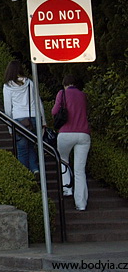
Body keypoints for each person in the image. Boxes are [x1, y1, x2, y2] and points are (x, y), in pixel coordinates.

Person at [54, 74, 91, 211]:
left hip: (66, 133)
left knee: (63, 160)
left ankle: (67, 189)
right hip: (83, 134)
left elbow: (54, 111)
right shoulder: (83, 95)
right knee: (79, 170)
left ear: (64, 84)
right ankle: (81, 204)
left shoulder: (62, 93)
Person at [2, 59, 44, 174]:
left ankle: (25, 174)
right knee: (31, 145)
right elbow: (38, 101)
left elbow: (7, 109)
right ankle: (35, 169)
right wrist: (43, 120)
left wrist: (10, 128)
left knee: (22, 150)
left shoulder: (7, 86)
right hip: (33, 118)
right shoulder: (30, 83)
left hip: (18, 120)